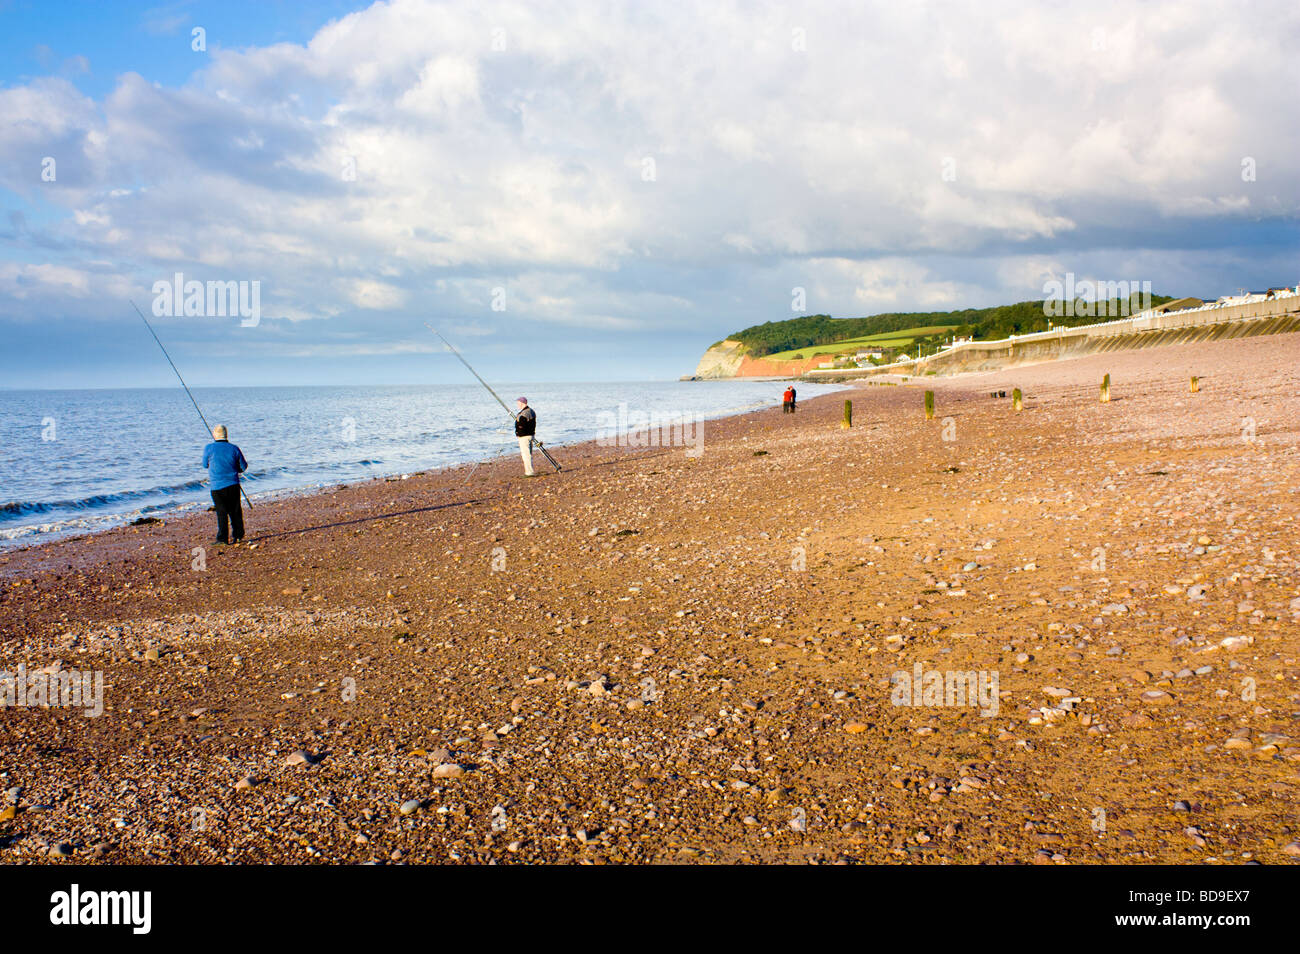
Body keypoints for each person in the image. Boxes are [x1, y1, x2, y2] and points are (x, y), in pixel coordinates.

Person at [202, 424, 248, 544]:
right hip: (233, 485)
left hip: (217, 487)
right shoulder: (234, 448)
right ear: (226, 434)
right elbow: (243, 467)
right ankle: (238, 535)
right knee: (235, 511)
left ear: (214, 435)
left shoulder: (209, 448)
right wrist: (235, 468)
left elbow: (204, 464)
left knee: (221, 513)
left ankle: (222, 539)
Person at [515, 397, 537, 476]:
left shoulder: (524, 413)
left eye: (518, 403)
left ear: (522, 403)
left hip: (524, 437)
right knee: (529, 454)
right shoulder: (531, 411)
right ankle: (529, 471)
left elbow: (522, 426)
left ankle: (529, 472)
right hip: (531, 435)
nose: (517, 405)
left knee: (526, 455)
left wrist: (518, 433)